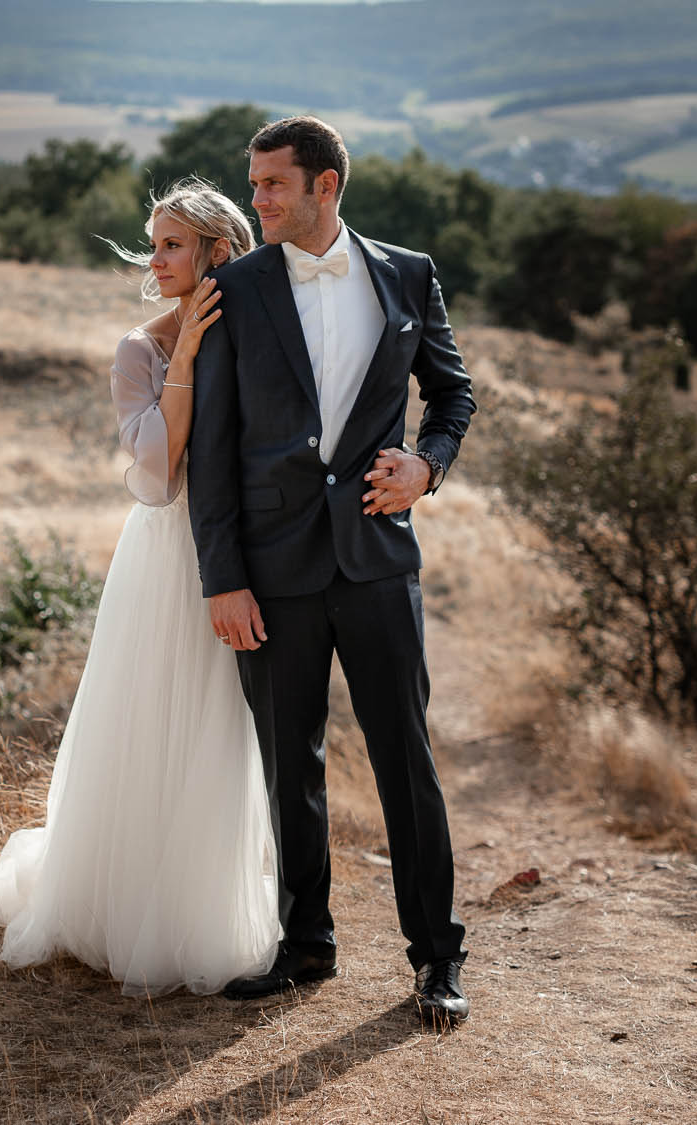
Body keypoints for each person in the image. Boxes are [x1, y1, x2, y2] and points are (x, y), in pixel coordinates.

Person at [188, 116, 476, 1023]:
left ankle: (437, 958)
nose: (257, 199)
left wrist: (428, 464)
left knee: (406, 762)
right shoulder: (233, 285)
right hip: (272, 567)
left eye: (273, 184)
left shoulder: (409, 274)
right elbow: (214, 451)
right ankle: (305, 943)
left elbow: (453, 390)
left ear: (326, 187)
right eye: (255, 183)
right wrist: (221, 575)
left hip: (379, 557)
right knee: (288, 762)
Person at [0, 178, 281, 997]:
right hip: (166, 556)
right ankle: (121, 904)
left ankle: (199, 903)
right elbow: (157, 471)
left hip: (246, 557)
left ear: (220, 250)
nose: (156, 260)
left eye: (173, 244)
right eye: (154, 244)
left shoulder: (261, 328)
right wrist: (183, 357)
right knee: (148, 715)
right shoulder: (138, 350)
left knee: (218, 726)